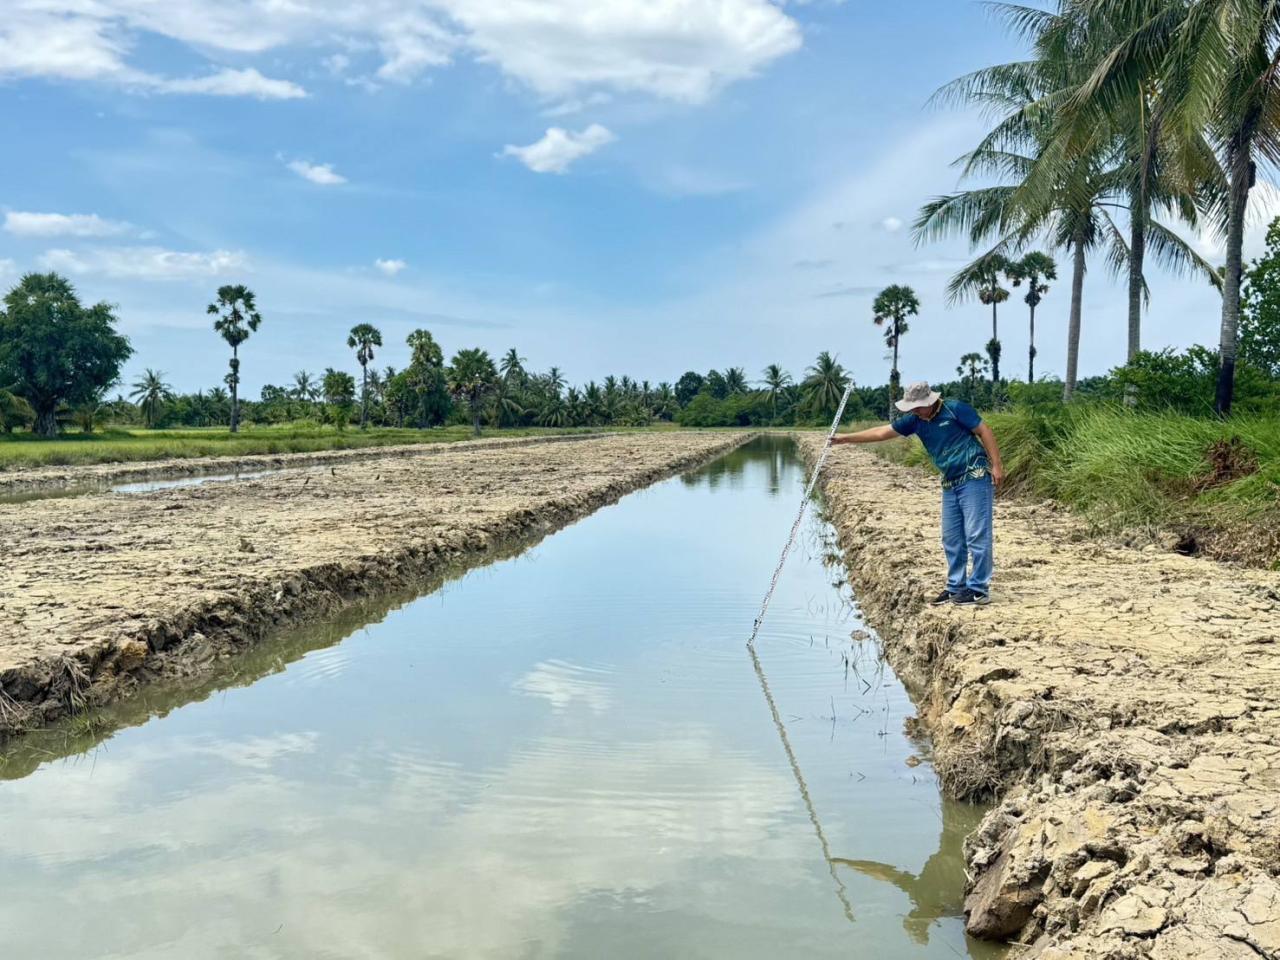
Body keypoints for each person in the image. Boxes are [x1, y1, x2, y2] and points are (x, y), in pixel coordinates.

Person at [832, 381, 1004, 605]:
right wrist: (845, 439)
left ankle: (979, 589)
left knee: (976, 534)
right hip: (950, 481)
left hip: (974, 474)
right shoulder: (914, 420)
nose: (914, 411)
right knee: (951, 537)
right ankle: (955, 587)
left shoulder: (955, 409)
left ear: (930, 402)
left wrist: (997, 465)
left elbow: (984, 430)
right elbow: (882, 432)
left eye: (917, 406)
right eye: (911, 407)